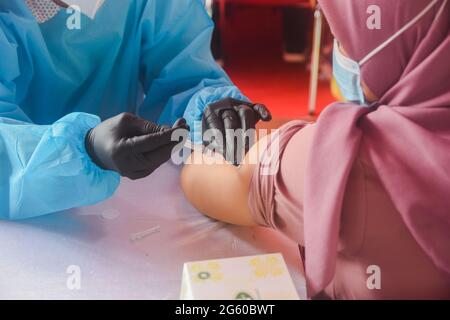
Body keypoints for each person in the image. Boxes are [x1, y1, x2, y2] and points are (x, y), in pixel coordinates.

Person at [180, 0, 450, 299]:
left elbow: (201, 178)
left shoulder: (345, 162)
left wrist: (290, 138)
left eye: (342, 41)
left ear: (387, 49)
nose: (338, 55)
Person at [0, 0, 270, 220]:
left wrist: (206, 109)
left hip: (125, 199)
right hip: (24, 217)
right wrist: (83, 149)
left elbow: (182, 69)